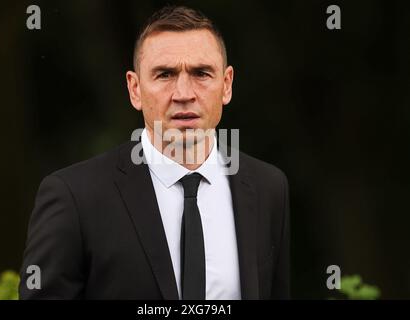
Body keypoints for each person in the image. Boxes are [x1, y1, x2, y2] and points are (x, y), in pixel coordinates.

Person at [19, 5, 290, 300]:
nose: (184, 93)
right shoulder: (74, 197)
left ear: (226, 85)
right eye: (165, 74)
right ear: (135, 89)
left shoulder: (268, 188)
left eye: (201, 73)